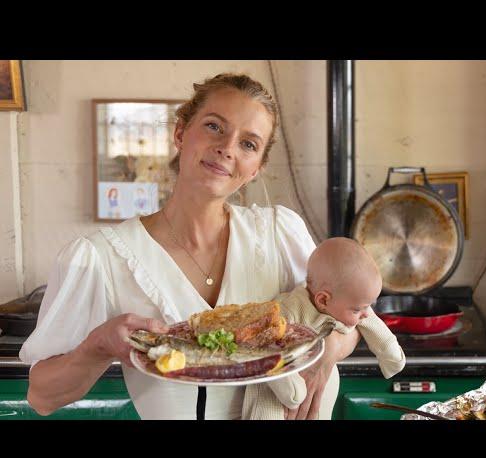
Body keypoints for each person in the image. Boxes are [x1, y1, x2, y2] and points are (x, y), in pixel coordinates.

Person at [20, 73, 361, 420]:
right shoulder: (101, 258)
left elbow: (357, 317)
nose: (227, 148)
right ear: (180, 132)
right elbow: (42, 396)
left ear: (257, 168)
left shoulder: (279, 232)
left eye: (248, 144)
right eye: (214, 127)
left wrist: (326, 353)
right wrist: (99, 345)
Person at [242, 237, 406, 420]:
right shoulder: (290, 309)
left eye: (368, 306)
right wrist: (289, 386)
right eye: (358, 309)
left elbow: (375, 328)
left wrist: (392, 357)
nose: (366, 314)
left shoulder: (351, 303)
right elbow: (264, 347)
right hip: (274, 400)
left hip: (319, 402)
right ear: (323, 300)